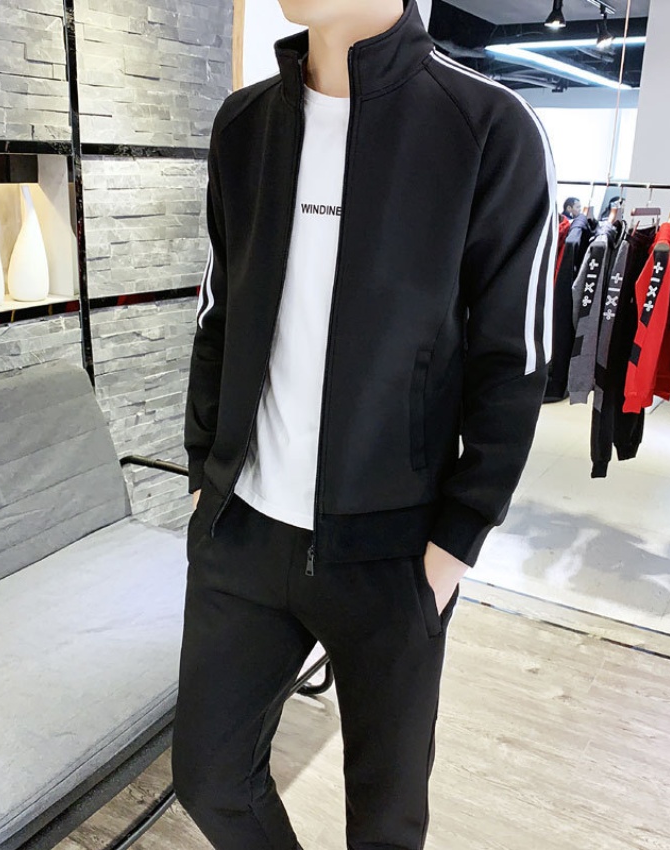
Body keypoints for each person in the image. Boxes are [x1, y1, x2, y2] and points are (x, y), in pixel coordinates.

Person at [171, 1, 556, 848]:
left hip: (396, 556)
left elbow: (515, 361)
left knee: (384, 824)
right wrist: (205, 476)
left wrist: (454, 543)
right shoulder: (244, 125)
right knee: (209, 779)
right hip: (244, 535)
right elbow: (218, 314)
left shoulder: (488, 128)